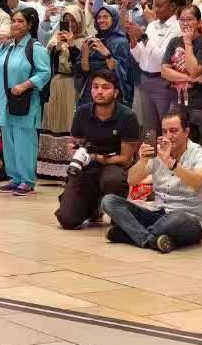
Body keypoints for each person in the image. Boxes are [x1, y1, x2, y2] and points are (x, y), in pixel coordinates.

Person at [101, 109, 202, 252]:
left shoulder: (200, 155)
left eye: (173, 131)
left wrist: (170, 163)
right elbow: (131, 180)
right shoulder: (157, 152)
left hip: (188, 220)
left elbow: (197, 182)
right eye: (164, 131)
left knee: (179, 218)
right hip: (157, 215)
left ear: (186, 132)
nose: (168, 136)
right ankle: (151, 239)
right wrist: (142, 160)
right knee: (109, 201)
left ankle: (132, 235)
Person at [55, 70, 140, 228]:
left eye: (105, 87)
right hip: (86, 166)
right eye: (95, 87)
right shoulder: (82, 112)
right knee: (67, 220)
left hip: (113, 165)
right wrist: (74, 151)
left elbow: (126, 158)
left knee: (112, 180)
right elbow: (74, 142)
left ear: (116, 92)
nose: (99, 91)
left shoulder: (127, 116)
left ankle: (117, 213)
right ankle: (93, 207)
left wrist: (97, 158)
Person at [0, 7, 51, 196]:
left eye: (20, 21)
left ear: (30, 25)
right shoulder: (5, 47)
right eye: (13, 20)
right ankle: (14, 178)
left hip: (25, 102)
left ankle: (27, 181)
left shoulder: (35, 48)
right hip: (3, 102)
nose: (15, 24)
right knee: (8, 142)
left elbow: (45, 73)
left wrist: (25, 85)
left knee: (25, 142)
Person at [161, 4, 202, 206]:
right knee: (174, 144)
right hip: (177, 103)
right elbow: (164, 71)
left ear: (198, 22)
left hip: (199, 104)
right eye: (182, 19)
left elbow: (195, 70)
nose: (186, 23)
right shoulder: (173, 41)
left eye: (190, 19)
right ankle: (177, 183)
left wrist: (188, 44)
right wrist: (190, 78)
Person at [130, 0, 181, 131]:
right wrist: (133, 40)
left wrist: (143, 36)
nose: (154, 10)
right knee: (149, 127)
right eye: (154, 6)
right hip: (145, 79)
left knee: (166, 125)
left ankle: (167, 147)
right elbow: (140, 58)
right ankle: (151, 147)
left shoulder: (177, 27)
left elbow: (163, 59)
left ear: (172, 6)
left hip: (163, 81)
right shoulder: (152, 25)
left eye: (159, 6)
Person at [80, 5, 136, 106]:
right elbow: (85, 70)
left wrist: (106, 53)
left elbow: (122, 72)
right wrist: (85, 54)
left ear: (113, 18)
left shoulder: (121, 41)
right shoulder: (94, 40)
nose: (101, 20)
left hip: (112, 90)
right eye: (99, 17)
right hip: (92, 89)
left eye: (105, 17)